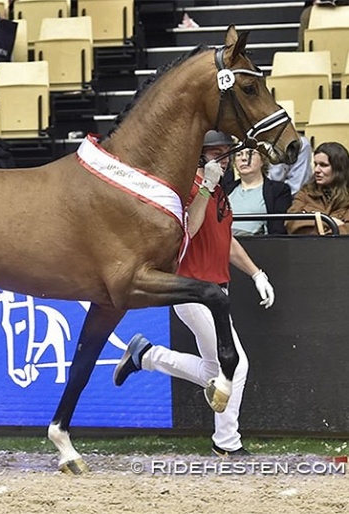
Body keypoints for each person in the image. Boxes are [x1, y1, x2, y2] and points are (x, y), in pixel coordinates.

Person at [113, 130, 276, 458]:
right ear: (201, 155)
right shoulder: (187, 186)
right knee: (236, 366)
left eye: (227, 152)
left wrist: (256, 272)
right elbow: (190, 229)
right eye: (218, 152)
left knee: (214, 370)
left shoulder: (221, 192)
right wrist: (206, 186)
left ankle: (145, 355)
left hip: (217, 289)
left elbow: (225, 240)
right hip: (192, 289)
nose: (225, 157)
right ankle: (226, 442)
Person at [285, 141, 349, 235]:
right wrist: (330, 222)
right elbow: (291, 222)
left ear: (339, 168)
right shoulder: (306, 192)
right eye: (316, 164)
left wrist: (311, 220)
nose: (316, 170)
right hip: (309, 246)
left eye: (323, 165)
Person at [225, 148, 292, 235]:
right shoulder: (225, 189)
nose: (244, 158)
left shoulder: (279, 190)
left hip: (259, 244)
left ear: (262, 160)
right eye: (239, 154)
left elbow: (278, 229)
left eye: (250, 154)